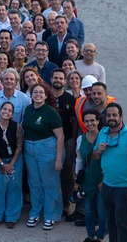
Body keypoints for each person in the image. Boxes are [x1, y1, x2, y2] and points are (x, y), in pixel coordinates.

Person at [93, 103, 127, 242]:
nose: (111, 118)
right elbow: (95, 156)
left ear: (121, 117)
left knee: (122, 223)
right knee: (111, 222)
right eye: (108, 115)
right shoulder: (103, 133)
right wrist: (99, 150)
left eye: (115, 115)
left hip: (124, 188)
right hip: (107, 185)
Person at [22, 83, 64, 231]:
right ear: (31, 95)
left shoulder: (51, 112)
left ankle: (50, 215)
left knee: (50, 183)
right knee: (34, 182)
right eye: (35, 92)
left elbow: (60, 137)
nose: (38, 95)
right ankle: (35, 212)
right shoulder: (28, 109)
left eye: (41, 92)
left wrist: (58, 159)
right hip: (29, 149)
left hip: (47, 149)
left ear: (46, 96)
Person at [0, 101, 24, 229]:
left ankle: (11, 216)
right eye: (4, 109)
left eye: (9, 110)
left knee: (14, 186)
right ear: (0, 110)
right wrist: (2, 164)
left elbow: (19, 145)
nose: (6, 112)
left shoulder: (16, 126)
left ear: (12, 114)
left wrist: (12, 163)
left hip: (15, 159)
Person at [75, 110, 108, 242]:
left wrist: (104, 180)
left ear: (98, 121)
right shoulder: (80, 139)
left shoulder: (104, 138)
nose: (90, 123)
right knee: (88, 211)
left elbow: (110, 162)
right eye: (87, 121)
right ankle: (90, 235)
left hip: (101, 180)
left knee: (101, 211)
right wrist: (77, 180)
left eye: (92, 120)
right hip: (87, 180)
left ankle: (101, 237)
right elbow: (79, 161)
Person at [51, 69, 78, 216]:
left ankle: (66, 201)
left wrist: (73, 139)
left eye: (61, 78)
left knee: (67, 172)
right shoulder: (46, 97)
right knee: (50, 172)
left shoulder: (70, 99)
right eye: (55, 78)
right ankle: (52, 202)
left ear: (64, 81)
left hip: (67, 140)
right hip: (49, 141)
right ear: (51, 79)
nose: (58, 80)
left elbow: (74, 121)